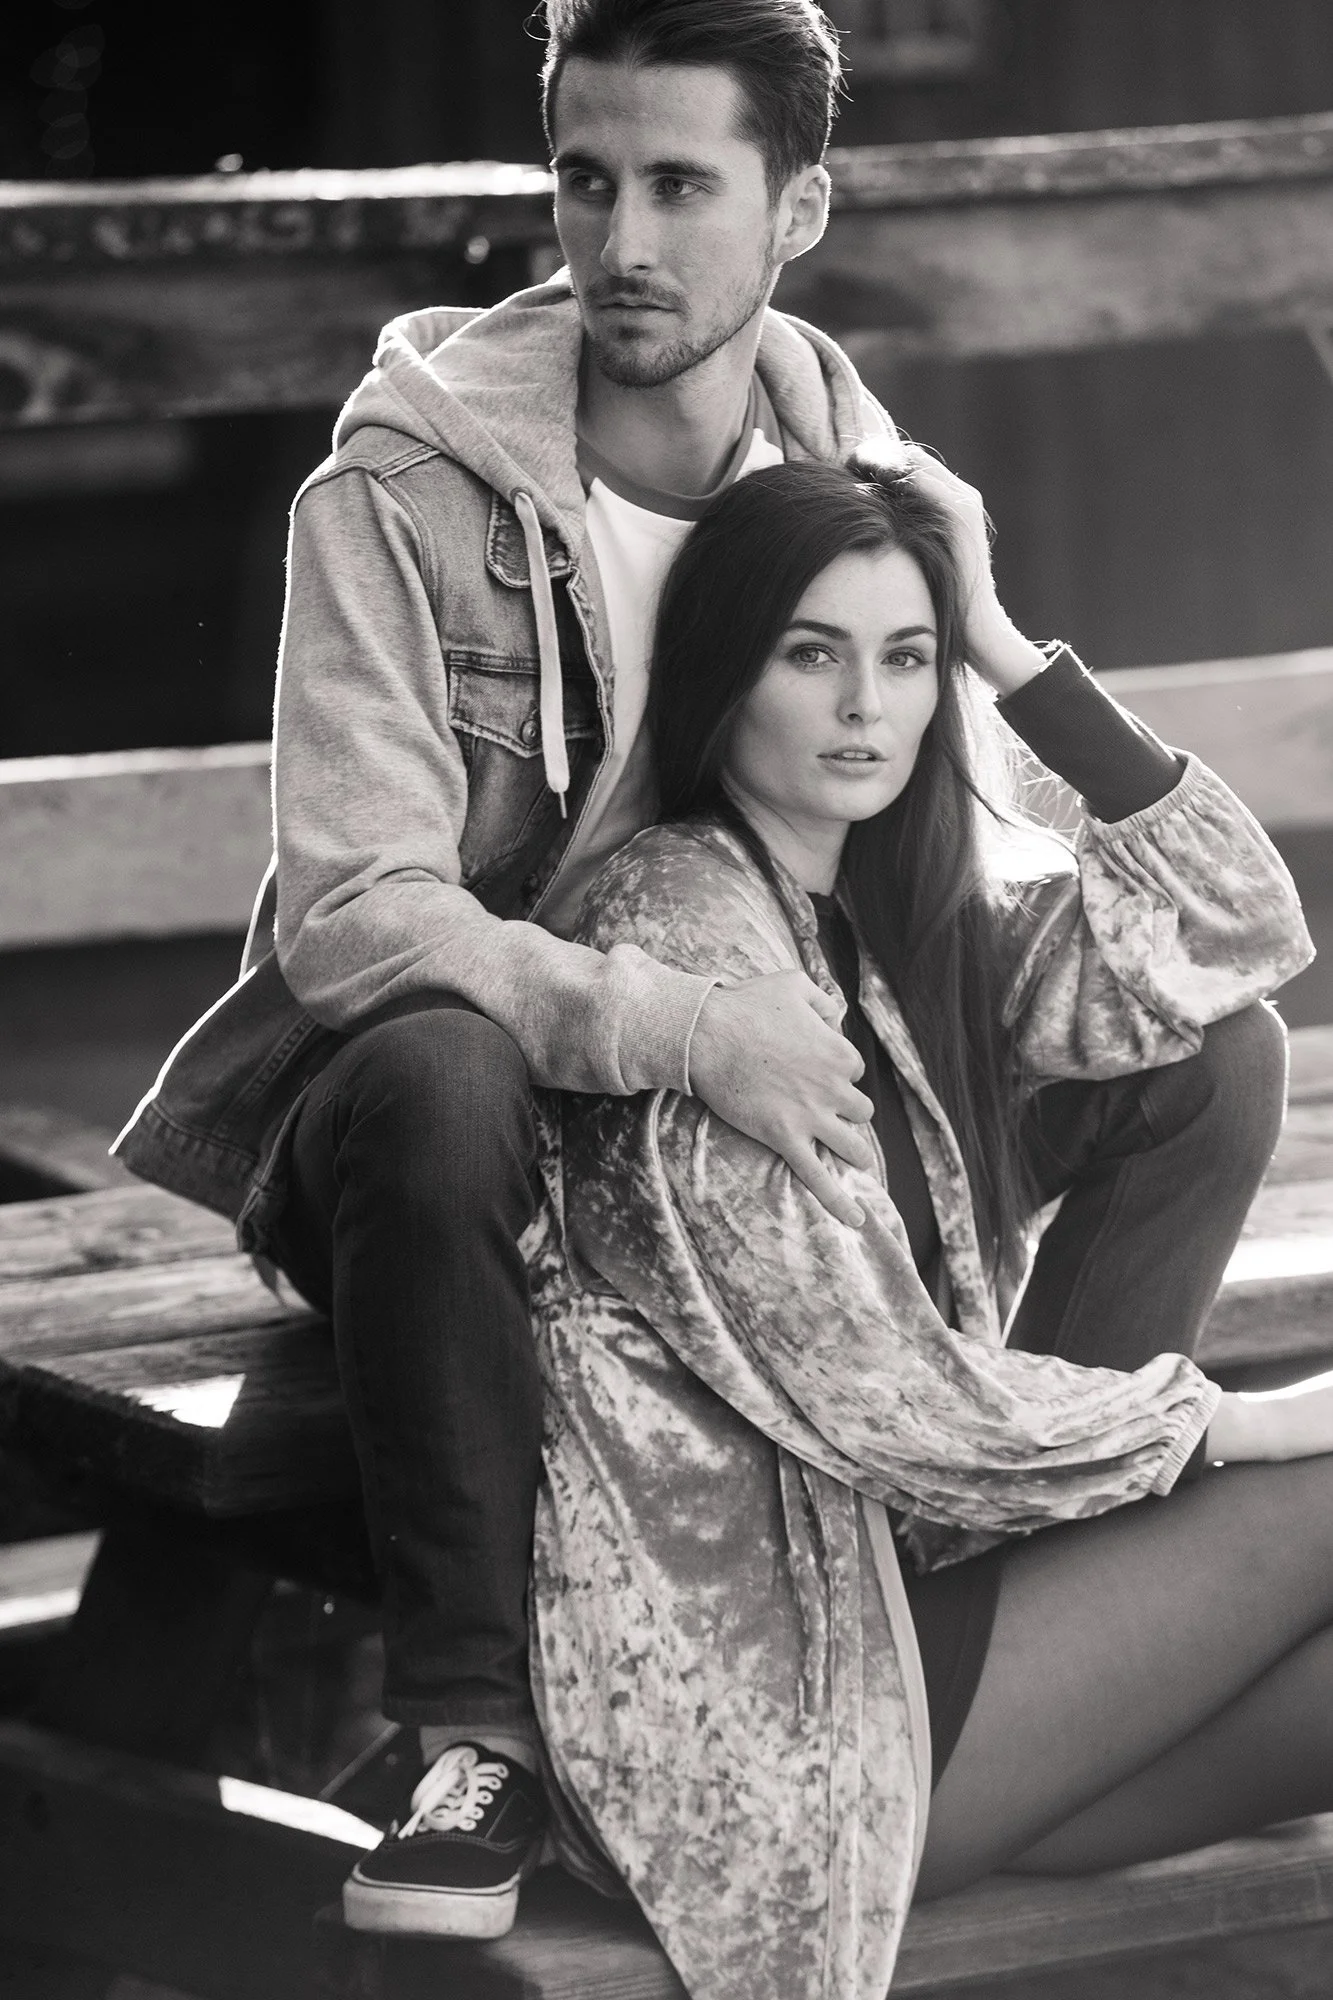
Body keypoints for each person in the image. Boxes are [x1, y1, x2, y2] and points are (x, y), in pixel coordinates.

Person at [110, 0, 937, 1942]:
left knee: (1193, 1068)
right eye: (587, 178)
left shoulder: (837, 446)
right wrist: (679, 1028)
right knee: (437, 1069)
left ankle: (990, 1537)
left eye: (679, 185)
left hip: (697, 1119)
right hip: (419, 1122)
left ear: (797, 206)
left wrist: (983, 631)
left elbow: (934, 793)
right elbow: (358, 918)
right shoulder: (405, 485)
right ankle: (469, 1741)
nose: (622, 240)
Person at [526, 448, 1329, 2000]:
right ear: (720, 672)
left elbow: (1233, 936)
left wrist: (1009, 648)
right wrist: (1237, 1424)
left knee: (1224, 1052)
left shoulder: (885, 921)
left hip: (923, 1624)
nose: (864, 709)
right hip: (781, 1709)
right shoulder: (681, 934)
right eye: (810, 654)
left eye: (905, 661)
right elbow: (878, 1390)